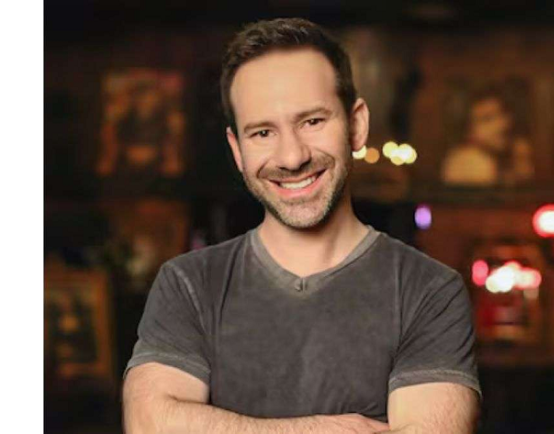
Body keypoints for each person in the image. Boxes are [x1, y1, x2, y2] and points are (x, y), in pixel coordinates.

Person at [123, 18, 481, 433]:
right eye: (262, 132)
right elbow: (149, 425)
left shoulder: (430, 290)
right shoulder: (189, 284)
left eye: (312, 121)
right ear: (237, 150)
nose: (292, 157)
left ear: (357, 125)